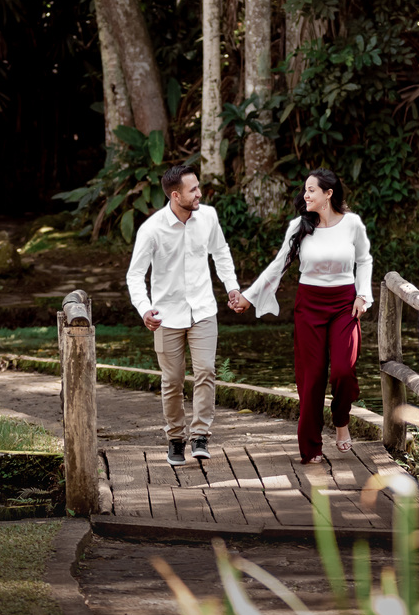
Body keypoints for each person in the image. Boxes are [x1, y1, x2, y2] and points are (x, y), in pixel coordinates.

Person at [231, 169, 374, 464]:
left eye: (311, 190)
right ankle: (311, 447)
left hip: (344, 305)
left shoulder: (352, 224)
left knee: (343, 371)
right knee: (312, 377)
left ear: (328, 194)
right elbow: (279, 265)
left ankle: (341, 419)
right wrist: (249, 296)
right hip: (309, 306)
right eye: (305, 190)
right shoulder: (300, 226)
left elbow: (364, 260)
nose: (305, 195)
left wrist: (363, 295)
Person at [126, 165, 241, 466]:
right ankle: (175, 439)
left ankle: (200, 435)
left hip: (203, 310)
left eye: (198, 187)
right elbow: (135, 276)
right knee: (173, 379)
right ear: (175, 195)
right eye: (193, 190)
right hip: (166, 316)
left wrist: (232, 288)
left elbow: (222, 252)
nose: (199, 193)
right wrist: (144, 308)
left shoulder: (209, 217)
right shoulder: (151, 230)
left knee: (205, 371)